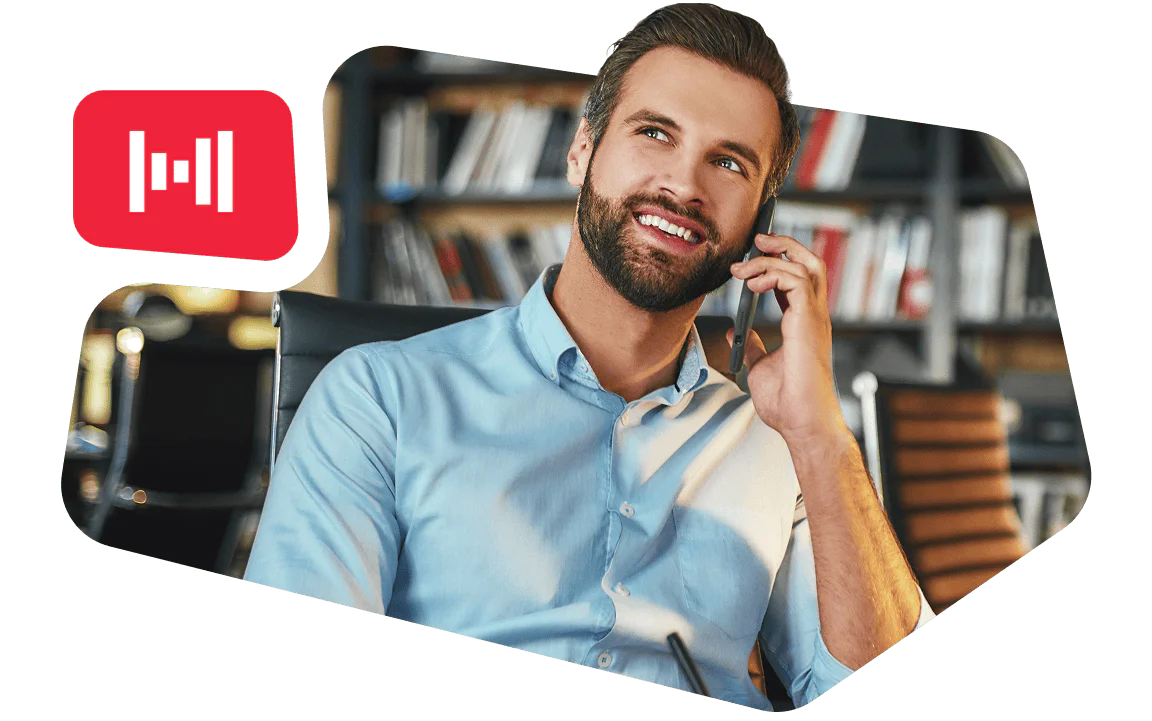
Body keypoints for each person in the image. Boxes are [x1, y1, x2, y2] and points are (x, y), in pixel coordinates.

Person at [245, 3, 934, 710]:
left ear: (759, 222)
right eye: (655, 133)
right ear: (581, 153)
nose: (685, 186)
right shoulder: (377, 399)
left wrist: (820, 435)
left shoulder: (779, 442)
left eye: (728, 162)